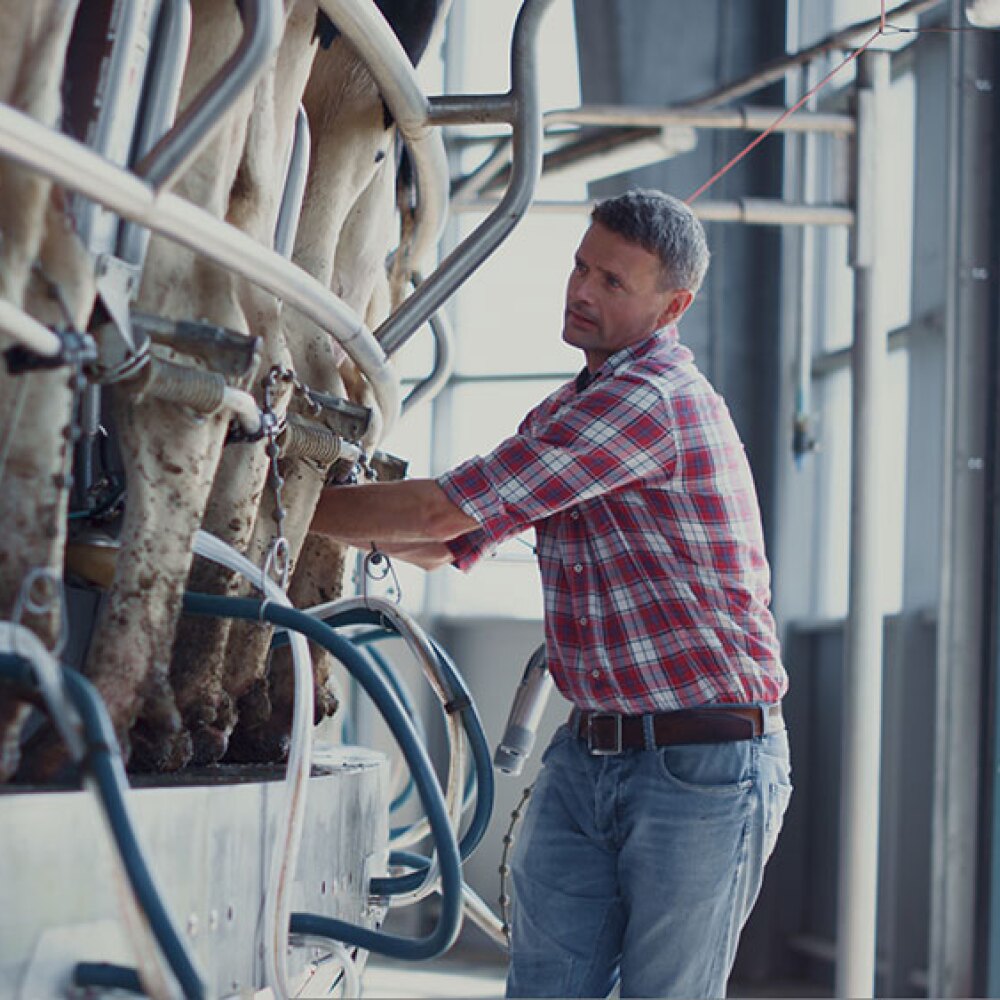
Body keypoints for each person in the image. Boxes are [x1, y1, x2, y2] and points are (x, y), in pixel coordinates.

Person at [312, 188, 791, 998]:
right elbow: (442, 540)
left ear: (673, 305)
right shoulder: (569, 410)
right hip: (590, 751)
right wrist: (328, 520)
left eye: (613, 282)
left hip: (704, 763)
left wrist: (273, 495)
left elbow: (438, 508)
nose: (581, 290)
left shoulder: (653, 404)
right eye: (580, 266)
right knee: (545, 985)